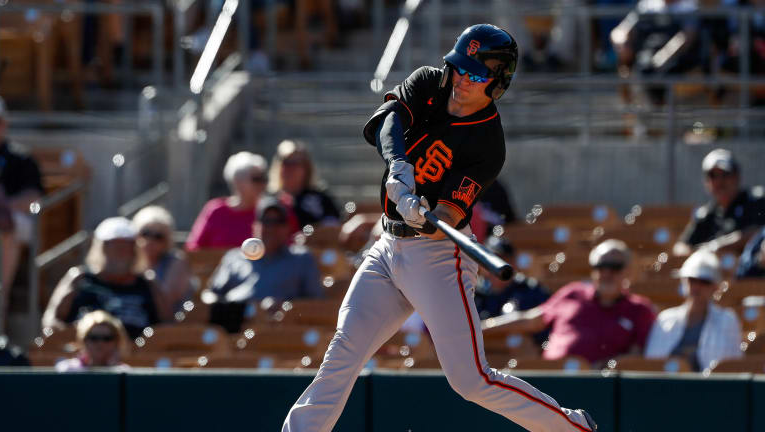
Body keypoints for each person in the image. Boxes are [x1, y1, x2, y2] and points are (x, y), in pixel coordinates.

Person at [282, 24, 598, 432]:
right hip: (387, 247)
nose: (463, 80)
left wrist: (422, 215)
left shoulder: (488, 143)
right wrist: (398, 166)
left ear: (497, 83)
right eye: (461, 68)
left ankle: (572, 427)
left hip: (437, 257)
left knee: (471, 381)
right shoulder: (429, 81)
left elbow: (447, 217)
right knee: (343, 350)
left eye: (476, 75)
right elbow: (389, 122)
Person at [483, 239, 656, 367]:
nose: (607, 273)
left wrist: (605, 368)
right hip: (551, 379)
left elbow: (638, 356)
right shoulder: (573, 293)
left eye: (615, 267)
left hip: (598, 385)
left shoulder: (639, 309)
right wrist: (480, 328)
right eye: (600, 266)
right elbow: (531, 320)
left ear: (628, 271)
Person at [205, 196, 323, 332]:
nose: (272, 228)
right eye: (266, 221)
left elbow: (316, 305)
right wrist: (233, 308)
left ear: (288, 227)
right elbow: (209, 295)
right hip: (235, 330)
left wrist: (286, 307)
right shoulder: (234, 257)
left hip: (281, 333)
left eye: (279, 221)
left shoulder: (302, 258)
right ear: (255, 226)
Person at [42, 217, 168, 339]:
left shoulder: (148, 284)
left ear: (135, 249)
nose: (120, 251)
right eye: (113, 244)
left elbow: (166, 325)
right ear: (101, 247)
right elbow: (51, 320)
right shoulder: (79, 279)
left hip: (137, 355)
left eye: (126, 245)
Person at [644, 250, 743, 371]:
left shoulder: (728, 320)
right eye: (692, 280)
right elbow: (651, 365)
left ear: (715, 286)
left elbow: (731, 368)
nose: (696, 286)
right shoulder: (665, 318)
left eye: (704, 282)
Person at [0, 95, 45, 329]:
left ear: (4, 124)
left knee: (8, 225)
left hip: (16, 222)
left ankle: (1, 299)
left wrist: (3, 205)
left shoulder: (20, 158)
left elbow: (33, 198)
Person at [673, 148, 765, 257]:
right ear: (706, 182)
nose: (719, 181)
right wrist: (699, 253)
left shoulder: (756, 201)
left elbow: (758, 232)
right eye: (713, 176)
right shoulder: (706, 214)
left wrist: (718, 246)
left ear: (736, 177)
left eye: (725, 174)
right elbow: (680, 247)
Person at [185, 152, 270, 251]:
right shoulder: (216, 210)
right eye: (257, 179)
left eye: (264, 178)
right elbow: (194, 247)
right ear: (238, 181)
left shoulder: (271, 211)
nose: (262, 184)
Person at [132, 205, 194, 315]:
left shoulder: (176, 262)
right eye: (145, 233)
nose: (150, 241)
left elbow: (167, 304)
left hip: (167, 326)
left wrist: (150, 280)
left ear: (167, 240)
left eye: (158, 236)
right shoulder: (131, 260)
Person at [267, 139, 341, 228]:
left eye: (295, 163)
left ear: (306, 168)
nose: (290, 168)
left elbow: (335, 224)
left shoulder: (321, 198)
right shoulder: (270, 199)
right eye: (286, 162)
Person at [55, 310, 130, 371]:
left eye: (107, 338)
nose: (100, 343)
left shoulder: (123, 371)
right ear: (83, 340)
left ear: (116, 342)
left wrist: (112, 369)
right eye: (93, 338)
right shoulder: (68, 369)